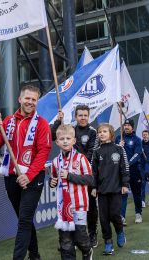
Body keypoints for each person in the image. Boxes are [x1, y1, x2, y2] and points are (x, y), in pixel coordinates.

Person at [0, 85, 52, 260]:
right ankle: (35, 254)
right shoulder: (8, 121)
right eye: (27, 98)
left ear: (37, 101)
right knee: (23, 217)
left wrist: (29, 175)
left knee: (24, 220)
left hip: (33, 177)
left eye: (34, 99)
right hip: (11, 176)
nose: (30, 102)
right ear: (20, 99)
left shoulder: (42, 124)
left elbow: (43, 152)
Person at [51, 105, 99, 247]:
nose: (83, 118)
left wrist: (76, 162)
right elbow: (55, 135)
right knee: (67, 203)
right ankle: (68, 238)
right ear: (75, 116)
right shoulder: (71, 129)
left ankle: (92, 233)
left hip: (86, 170)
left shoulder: (92, 132)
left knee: (89, 206)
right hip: (70, 172)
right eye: (80, 115)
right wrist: (58, 122)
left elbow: (92, 153)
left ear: (88, 116)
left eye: (85, 115)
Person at [49, 124, 93, 260]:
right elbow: (54, 179)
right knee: (65, 241)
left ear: (74, 140)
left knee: (80, 238)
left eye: (68, 138)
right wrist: (52, 183)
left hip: (79, 204)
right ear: (57, 142)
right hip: (63, 208)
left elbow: (90, 179)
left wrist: (69, 176)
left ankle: (87, 250)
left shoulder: (81, 158)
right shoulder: (55, 161)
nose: (65, 141)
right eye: (62, 139)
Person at [91, 123, 129, 256]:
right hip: (101, 191)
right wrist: (94, 187)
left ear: (111, 134)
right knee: (103, 218)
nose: (101, 133)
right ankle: (108, 242)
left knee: (114, 214)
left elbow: (125, 168)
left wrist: (125, 184)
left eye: (105, 131)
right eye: (99, 132)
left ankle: (119, 231)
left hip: (116, 189)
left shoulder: (119, 149)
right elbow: (93, 172)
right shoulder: (96, 152)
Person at [115, 119, 143, 224]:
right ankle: (122, 216)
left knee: (137, 193)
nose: (126, 127)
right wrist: (118, 147)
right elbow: (113, 154)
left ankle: (138, 213)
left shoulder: (137, 140)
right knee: (123, 194)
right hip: (121, 172)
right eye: (125, 125)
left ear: (132, 127)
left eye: (128, 125)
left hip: (134, 170)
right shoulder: (118, 138)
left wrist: (127, 164)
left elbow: (137, 154)